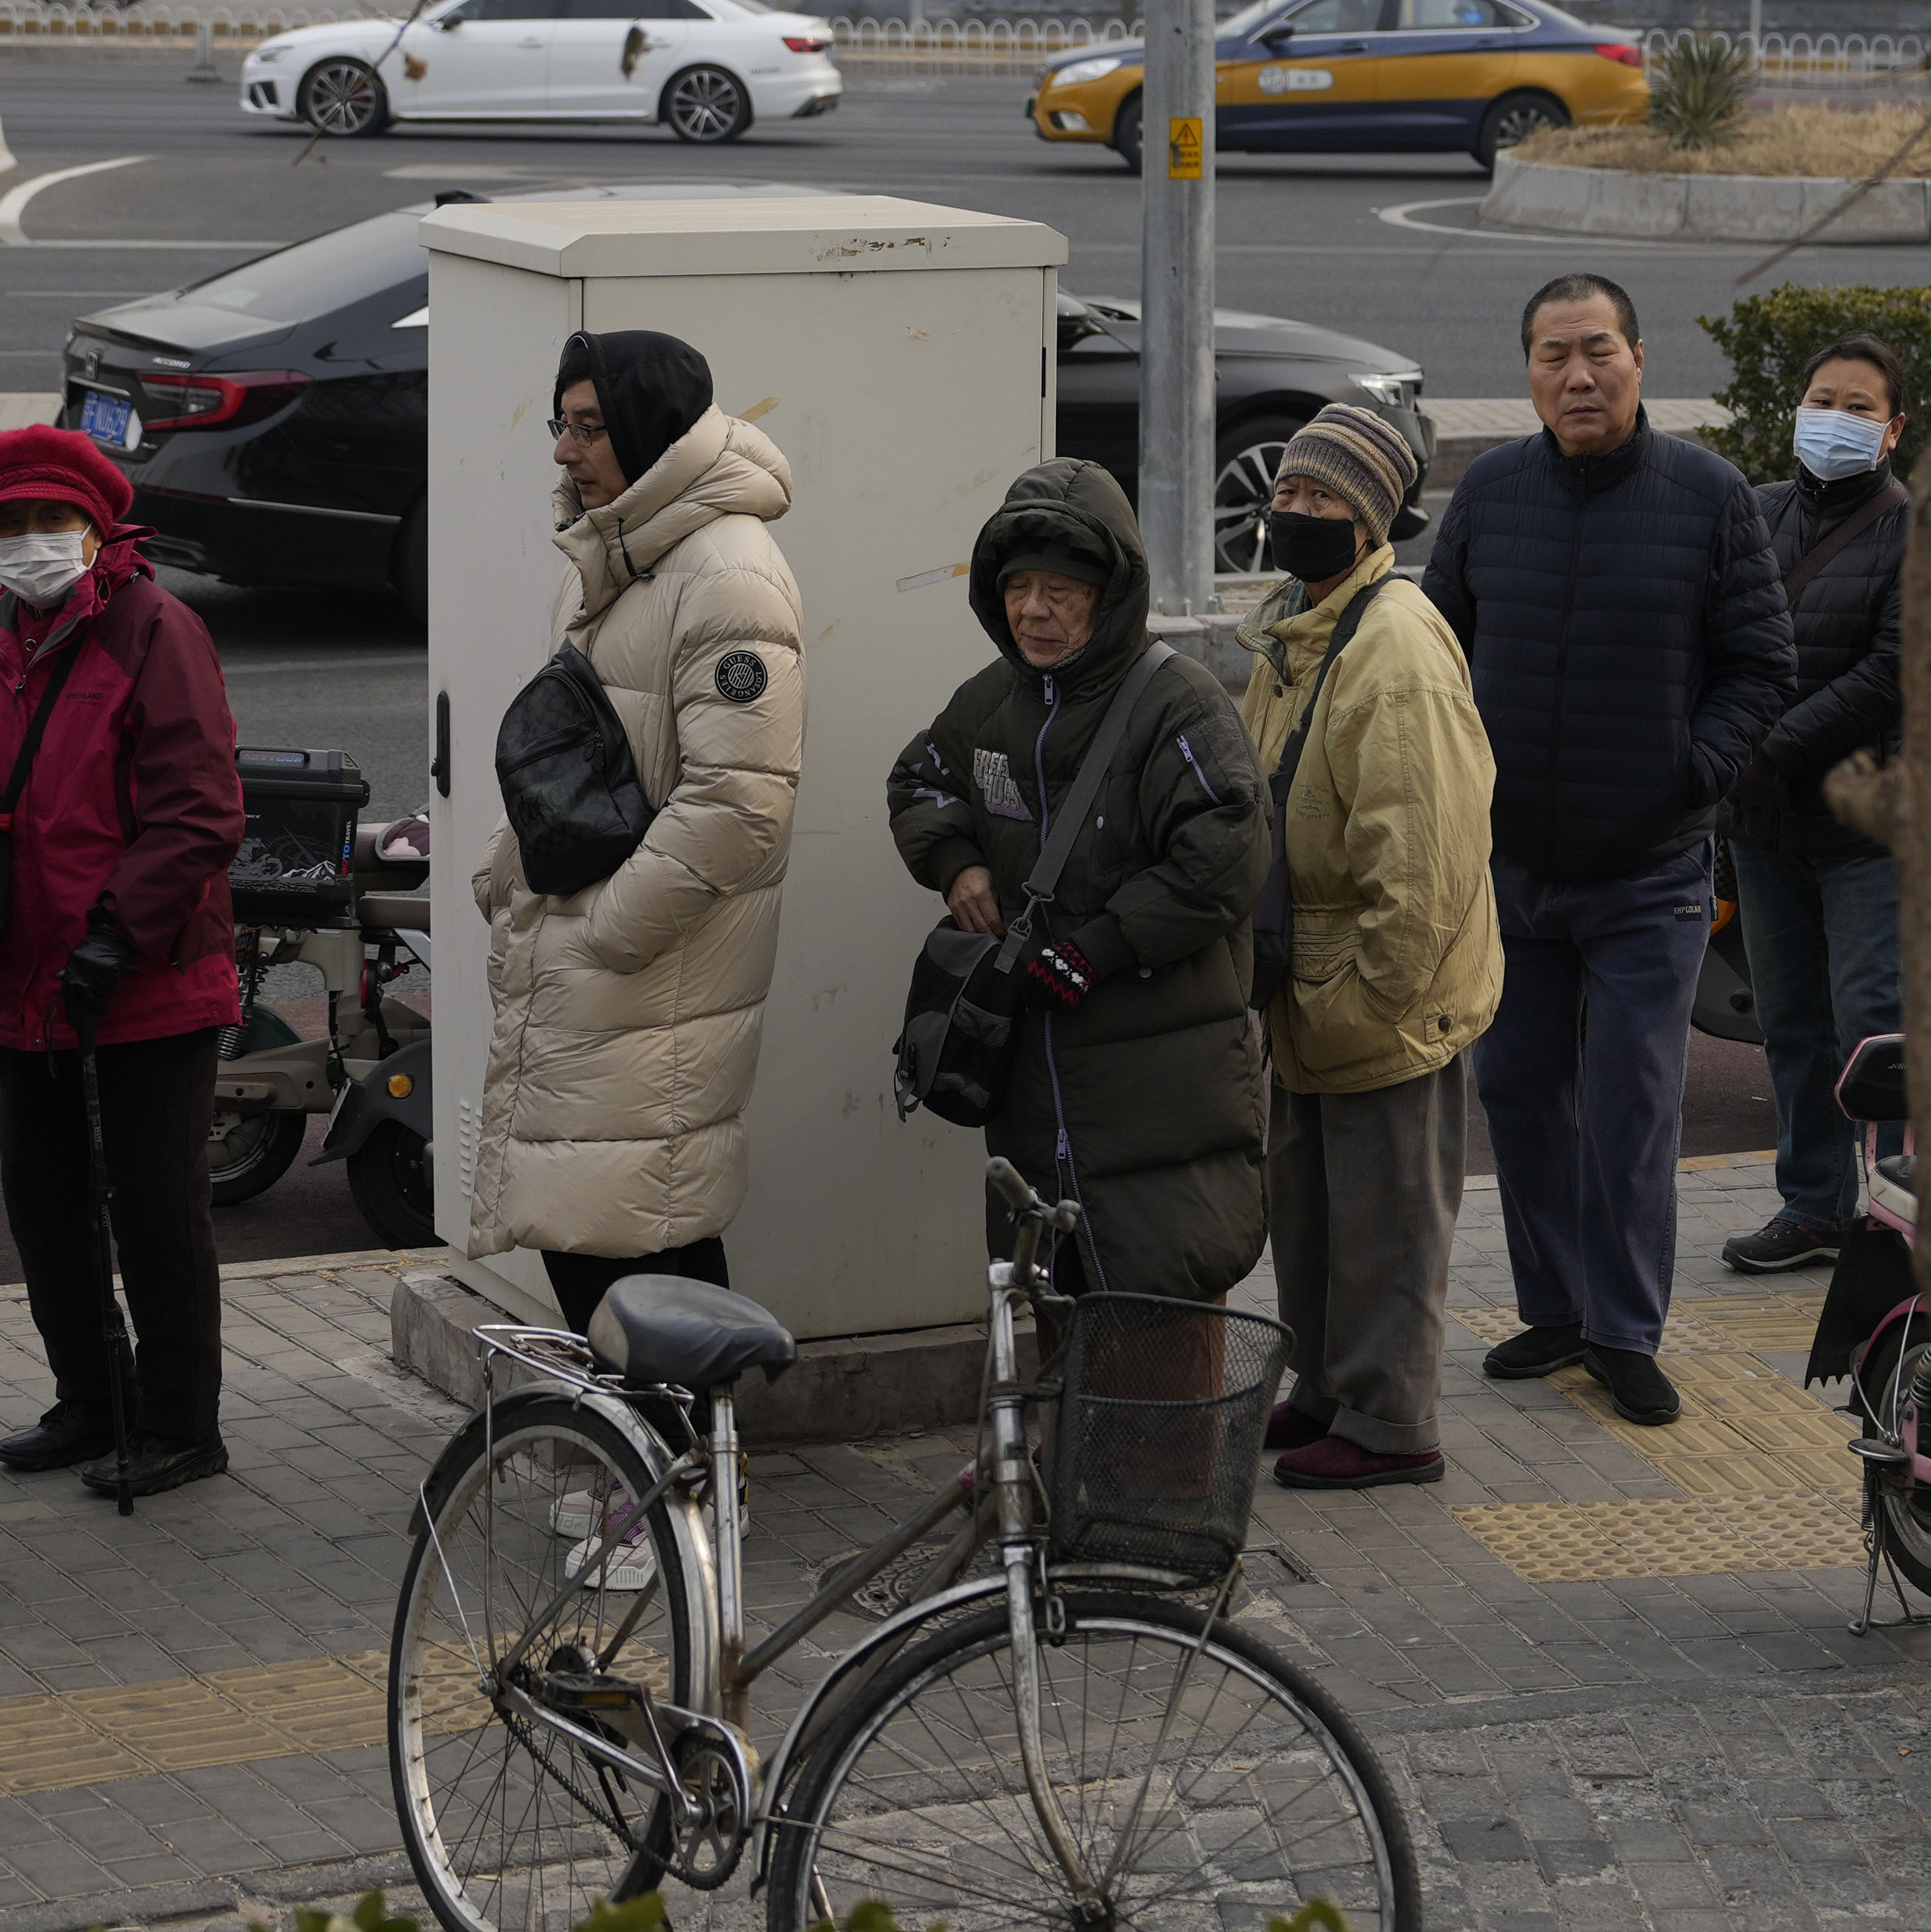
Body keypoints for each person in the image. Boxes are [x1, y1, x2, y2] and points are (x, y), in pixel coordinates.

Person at [1424, 275, 1782, 1427]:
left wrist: (1691, 771)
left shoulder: (1708, 495)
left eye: (1598, 352)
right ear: (1528, 372)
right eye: (1551, 356)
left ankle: (1627, 1329)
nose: (1576, 376)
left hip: (1650, 870)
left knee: (1634, 1101)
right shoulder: (1489, 490)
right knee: (1520, 1091)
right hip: (1515, 866)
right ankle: (1557, 1309)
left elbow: (1760, 665)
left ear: (1638, 358)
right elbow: (1436, 651)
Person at [473, 329, 805, 1330]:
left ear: (652, 435)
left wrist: (606, 928)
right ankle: (669, 1472)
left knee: (636, 1230)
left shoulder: (725, 578)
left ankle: (680, 1473)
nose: (566, 452)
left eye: (591, 429)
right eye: (560, 427)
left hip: (648, 971)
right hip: (604, 965)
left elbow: (739, 804)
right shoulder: (629, 553)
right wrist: (509, 874)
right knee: (617, 1225)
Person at [0, 424, 246, 1507]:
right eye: (8, 525)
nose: (28, 542)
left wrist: (120, 933)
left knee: (159, 1211)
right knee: (45, 1201)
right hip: (28, 979)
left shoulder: (154, 628)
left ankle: (178, 1424)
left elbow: (201, 807)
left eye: (48, 521)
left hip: (145, 979)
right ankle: (92, 1396)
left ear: (96, 525)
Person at [893, 458, 1272, 1303]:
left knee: (1164, 1316)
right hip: (1034, 1087)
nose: (1033, 610)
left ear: (1110, 593)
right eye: (1018, 586)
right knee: (1058, 1309)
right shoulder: (990, 701)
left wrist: (1101, 946)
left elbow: (1227, 851)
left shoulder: (1180, 706)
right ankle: (1073, 1443)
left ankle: (1163, 1443)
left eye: (1060, 590)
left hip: (1159, 1088)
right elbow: (918, 781)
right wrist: (958, 863)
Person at [1246, 399, 1500, 1490]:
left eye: (1323, 499)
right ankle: (1327, 1388)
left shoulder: (1394, 646)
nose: (1294, 512)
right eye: (1289, 491)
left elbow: (1428, 861)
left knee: (1390, 1220)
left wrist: (1370, 995)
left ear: (1374, 517)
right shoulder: (1302, 619)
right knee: (1311, 1214)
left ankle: (1395, 1425)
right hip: (1311, 978)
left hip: (1377, 991)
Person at [1723, 334, 1918, 1273]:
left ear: (1893, 431)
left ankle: (1894, 1208)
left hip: (1864, 828)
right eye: (1822, 399)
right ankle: (1812, 1206)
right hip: (1765, 826)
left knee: (1871, 1023)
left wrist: (1771, 747)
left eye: (1859, 407)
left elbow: (1892, 673)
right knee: (1791, 1022)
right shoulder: (1755, 516)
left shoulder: (1915, 534)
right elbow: (1720, 643)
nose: (1834, 420)